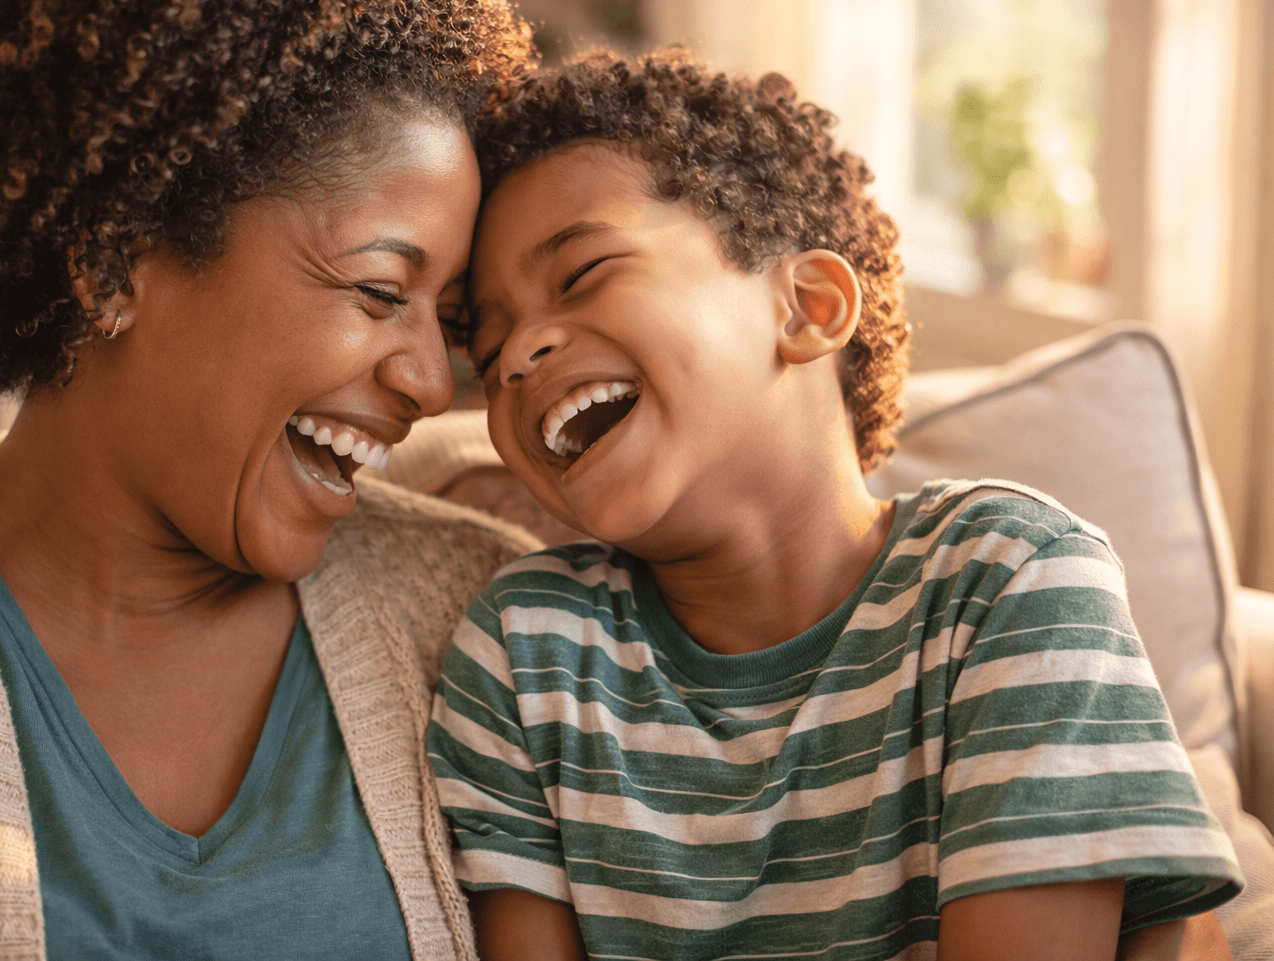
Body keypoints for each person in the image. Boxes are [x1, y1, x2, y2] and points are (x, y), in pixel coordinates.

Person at [0, 0, 540, 957]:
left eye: (451, 318)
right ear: (112, 263)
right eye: (381, 292)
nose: (430, 380)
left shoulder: (489, 620)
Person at [425, 49, 1244, 961]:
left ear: (808, 307)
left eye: (582, 275)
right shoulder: (524, 651)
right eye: (488, 356)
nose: (521, 355)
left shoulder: (1010, 581)